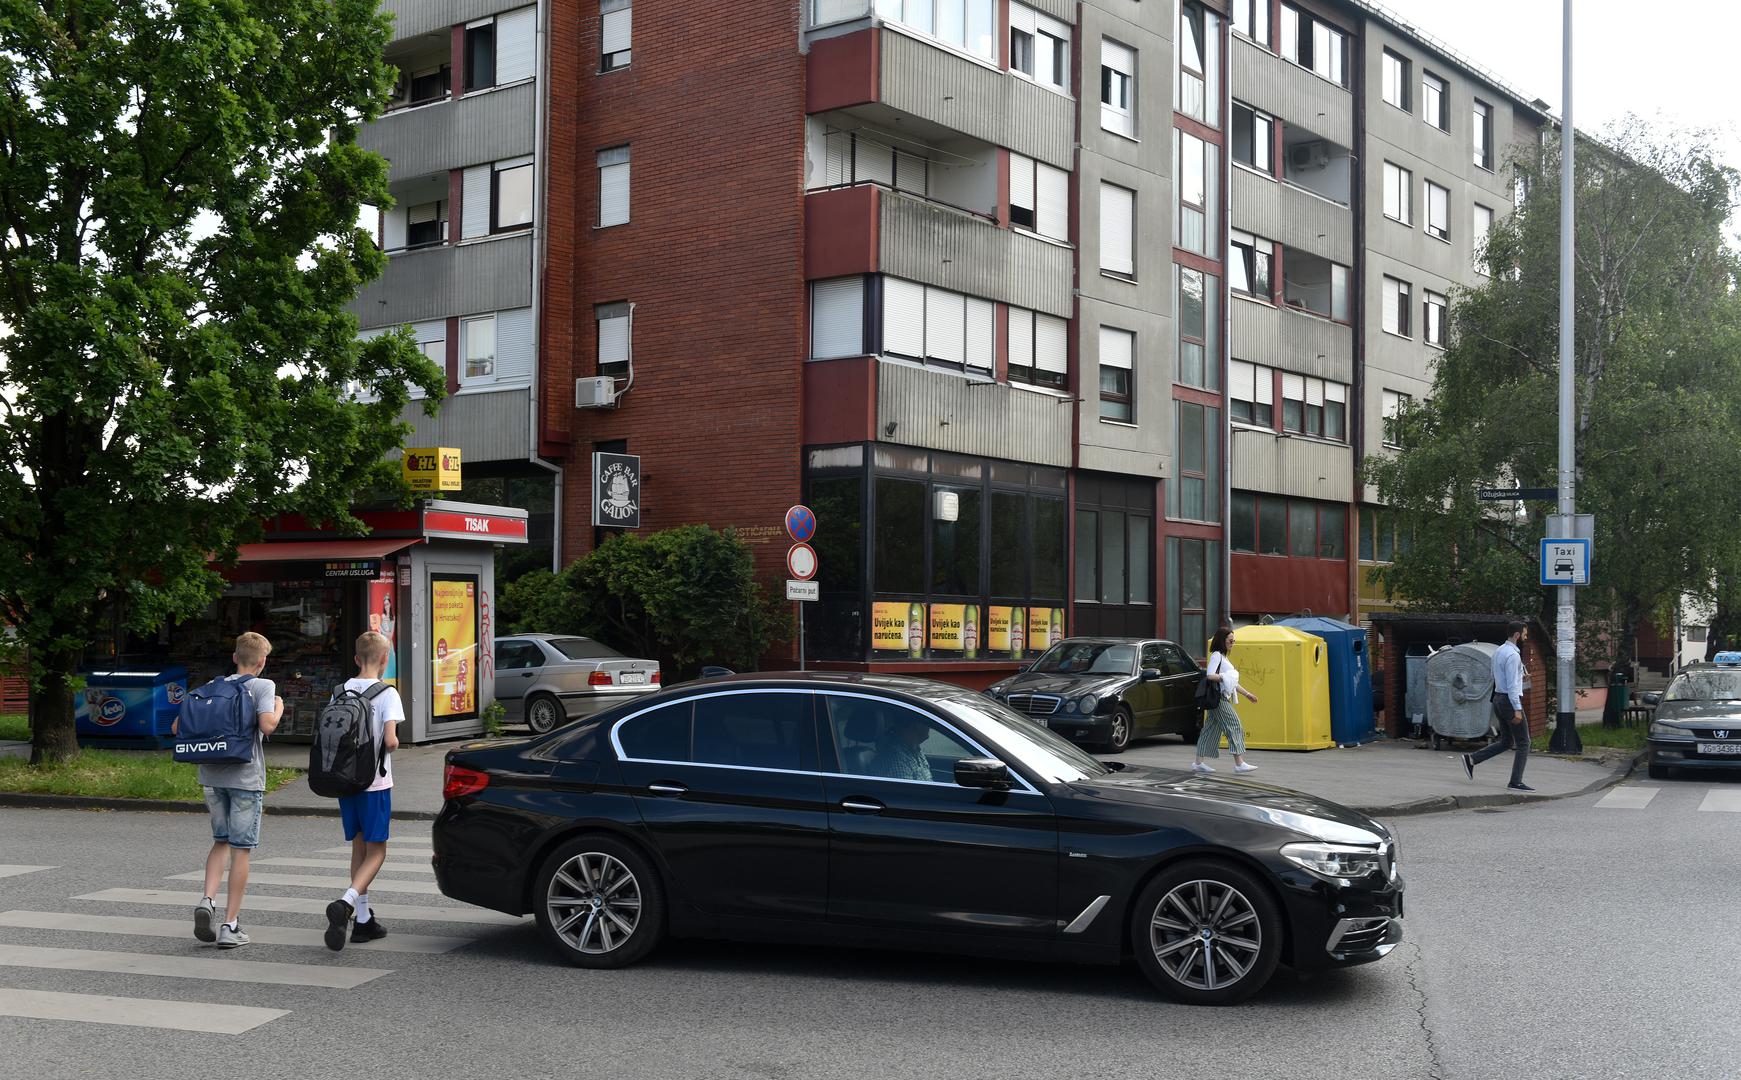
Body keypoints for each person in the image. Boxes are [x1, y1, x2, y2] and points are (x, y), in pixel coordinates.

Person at [178, 632, 284, 949]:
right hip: (246, 778)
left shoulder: (213, 686)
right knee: (241, 850)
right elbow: (267, 726)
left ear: (235, 657)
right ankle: (230, 925)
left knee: (220, 841)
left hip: (211, 776)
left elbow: (177, 727)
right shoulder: (263, 686)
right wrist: (278, 708)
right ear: (262, 662)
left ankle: (207, 899)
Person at [324, 631, 404, 950]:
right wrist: (391, 742)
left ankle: (363, 919)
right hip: (375, 783)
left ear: (357, 659)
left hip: (345, 783)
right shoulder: (388, 693)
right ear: (385, 659)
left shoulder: (339, 691)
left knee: (358, 848)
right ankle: (346, 903)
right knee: (377, 850)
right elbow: (391, 741)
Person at [1463, 620, 1532, 791]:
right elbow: (1512, 686)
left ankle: (1472, 759)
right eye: (1524, 634)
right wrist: (1517, 709)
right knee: (1524, 742)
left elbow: (1497, 676)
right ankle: (1515, 782)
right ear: (1517, 635)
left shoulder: (1499, 651)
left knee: (1507, 741)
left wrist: (1519, 677)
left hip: (1498, 699)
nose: (1526, 637)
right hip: (1509, 701)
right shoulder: (1513, 656)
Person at [1194, 627, 1260, 775]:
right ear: (1222, 640)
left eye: (1234, 640)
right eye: (1230, 640)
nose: (1232, 643)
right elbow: (1210, 675)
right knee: (1234, 725)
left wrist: (1247, 694)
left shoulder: (1224, 657)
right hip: (1219, 699)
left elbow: (1232, 683)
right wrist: (1225, 677)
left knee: (1209, 729)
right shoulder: (1217, 655)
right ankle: (1239, 763)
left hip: (1220, 698)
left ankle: (1198, 763)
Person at [872, 714, 932, 782]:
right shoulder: (896, 758)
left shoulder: (915, 751)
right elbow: (907, 788)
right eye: (926, 722)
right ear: (917, 725)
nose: (929, 727)